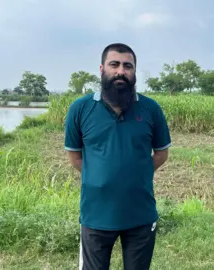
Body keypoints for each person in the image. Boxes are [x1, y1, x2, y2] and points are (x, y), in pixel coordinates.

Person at [64, 43, 171, 270]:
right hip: (95, 215)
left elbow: (161, 154)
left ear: (134, 72)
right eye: (114, 64)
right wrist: (100, 178)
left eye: (127, 66)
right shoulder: (80, 109)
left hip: (140, 214)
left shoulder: (151, 109)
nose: (120, 71)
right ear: (102, 69)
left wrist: (136, 174)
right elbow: (75, 158)